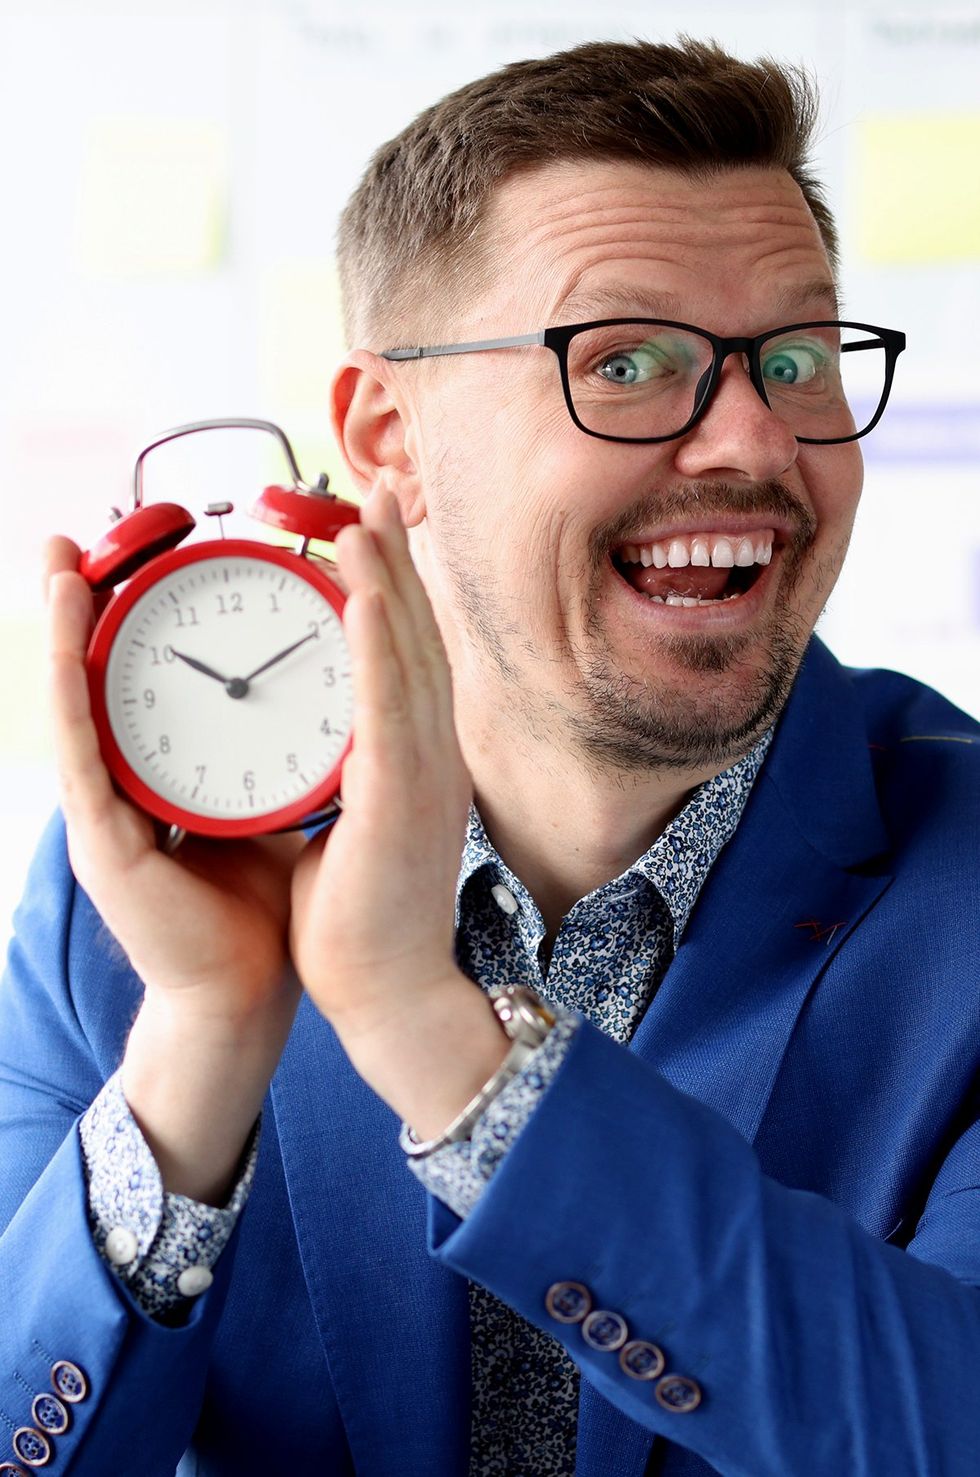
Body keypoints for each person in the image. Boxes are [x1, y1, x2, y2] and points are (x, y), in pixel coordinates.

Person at [1, 34, 978, 1477]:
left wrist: (431, 1033)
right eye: (630, 362)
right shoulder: (138, 899)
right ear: (388, 436)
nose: (756, 440)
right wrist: (203, 1036)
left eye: (797, 356)